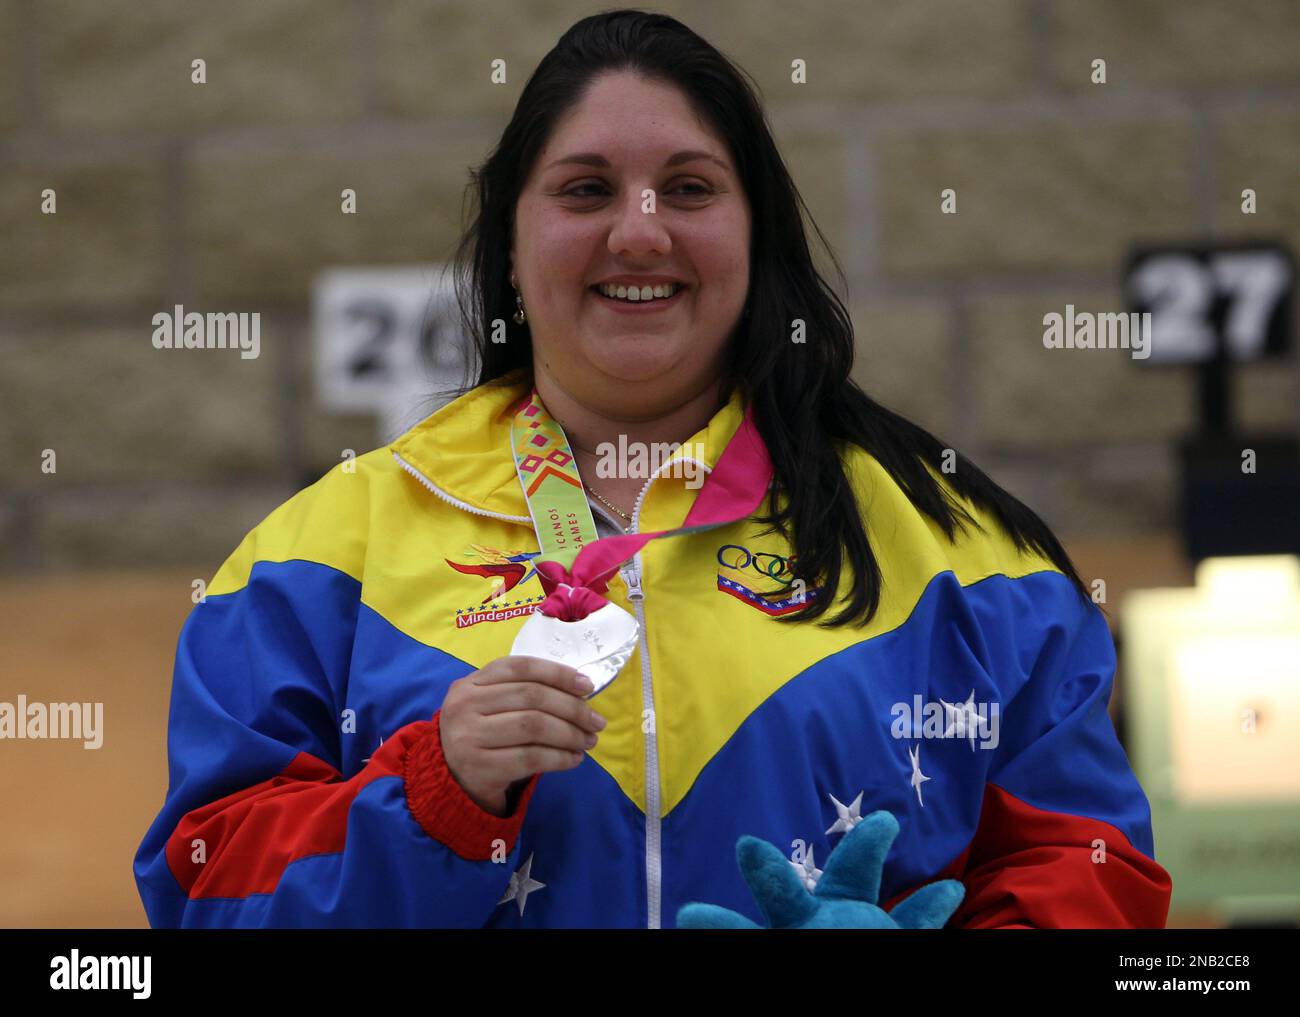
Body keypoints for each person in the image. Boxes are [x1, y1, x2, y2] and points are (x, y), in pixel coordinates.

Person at [134, 10, 1172, 928]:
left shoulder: (967, 557)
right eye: (586, 189)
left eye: (688, 188)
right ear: (510, 243)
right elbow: (202, 888)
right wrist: (430, 797)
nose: (639, 230)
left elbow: (1093, 870)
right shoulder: (313, 558)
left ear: (753, 233)